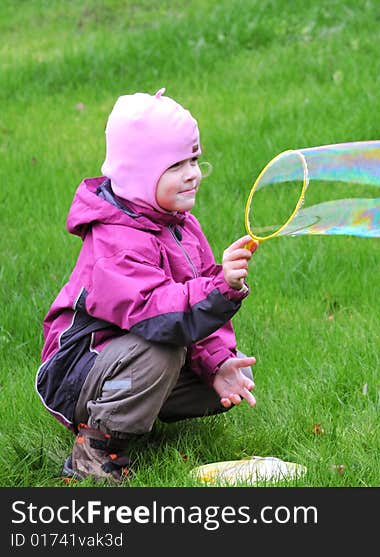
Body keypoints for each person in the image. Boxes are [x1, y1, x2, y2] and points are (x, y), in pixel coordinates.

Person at [36, 88, 258, 484]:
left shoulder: (180, 224)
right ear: (140, 174)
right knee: (161, 354)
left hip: (123, 365)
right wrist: (221, 288)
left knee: (218, 377)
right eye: (175, 165)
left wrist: (217, 363)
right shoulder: (115, 240)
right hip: (77, 375)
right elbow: (159, 315)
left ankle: (131, 417)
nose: (192, 172)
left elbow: (193, 298)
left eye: (194, 158)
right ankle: (96, 449)